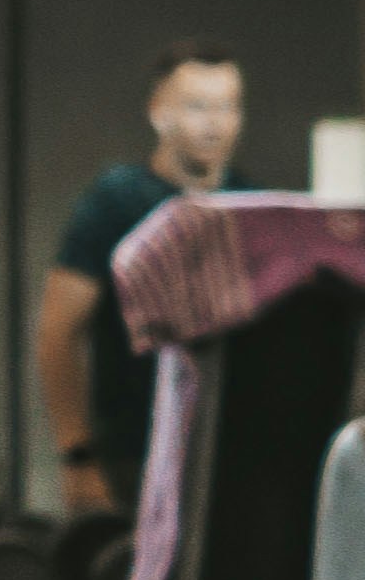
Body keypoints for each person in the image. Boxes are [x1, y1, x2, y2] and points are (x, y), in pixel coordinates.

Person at [39, 43, 251, 510]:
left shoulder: (251, 206)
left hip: (229, 462)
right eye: (197, 106)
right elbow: (57, 333)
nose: (215, 122)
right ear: (159, 113)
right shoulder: (116, 201)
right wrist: (77, 456)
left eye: (228, 106)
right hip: (132, 460)